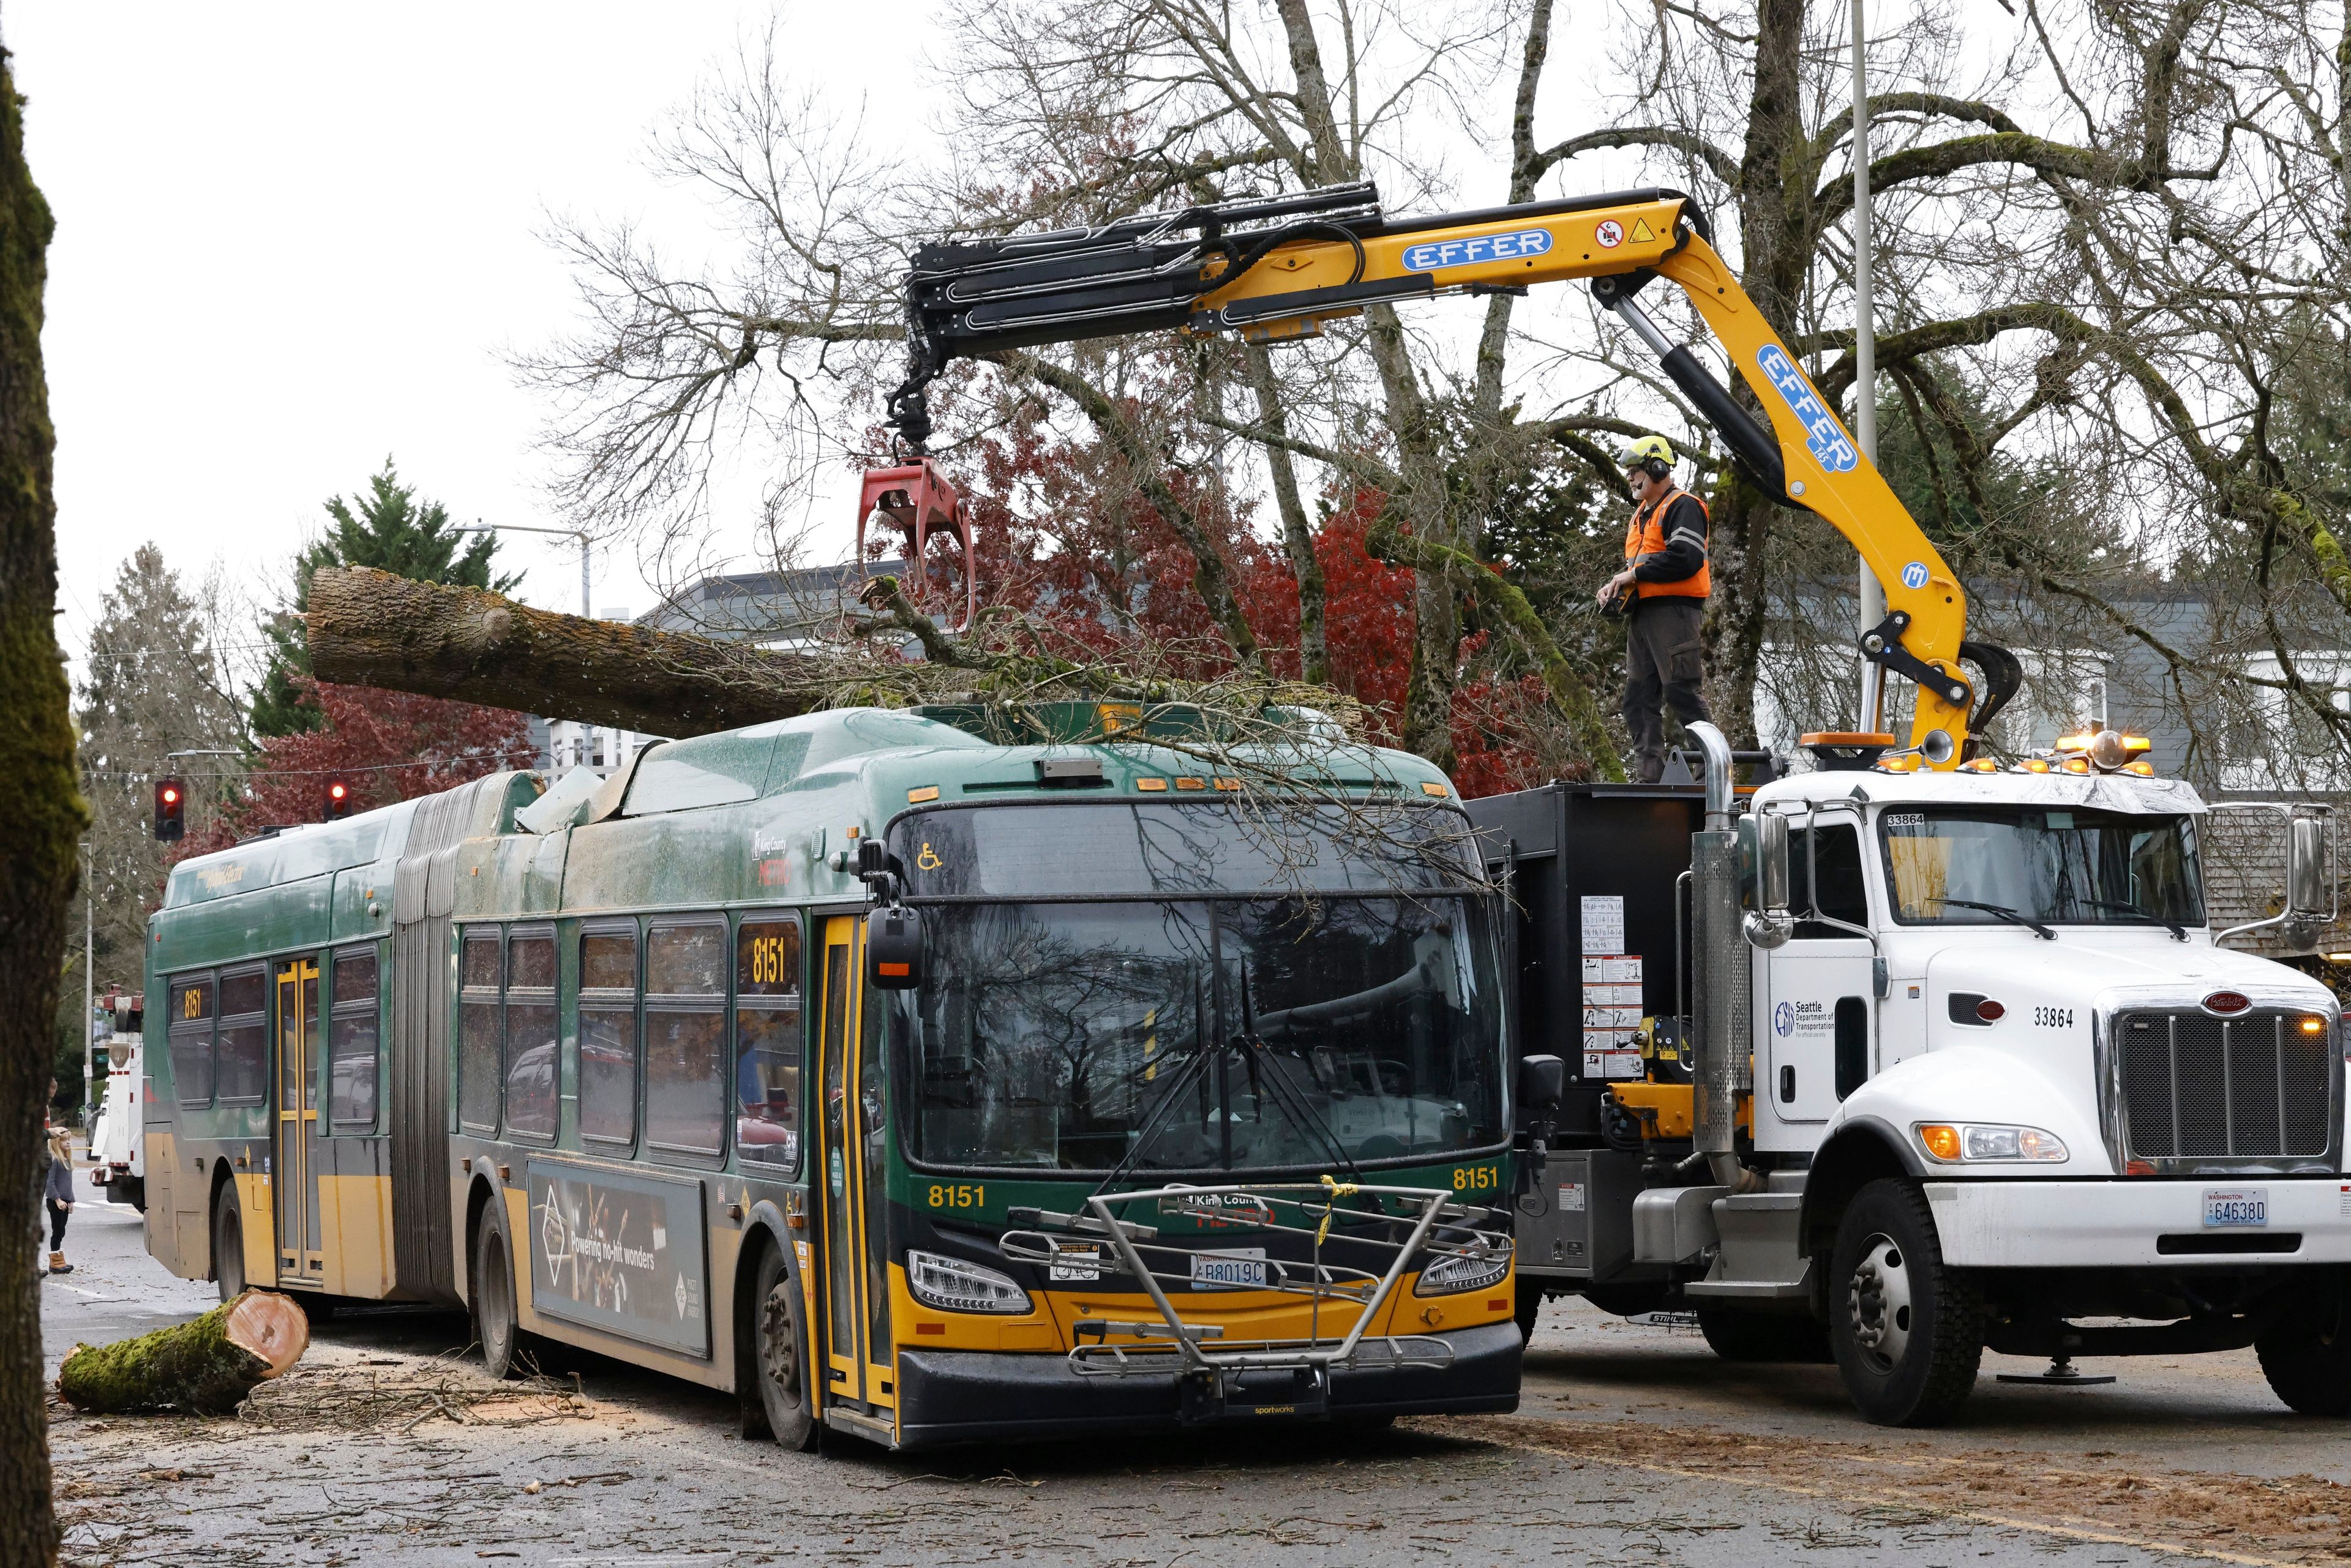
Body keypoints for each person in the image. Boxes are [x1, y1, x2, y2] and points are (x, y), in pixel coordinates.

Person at [1595, 434, 1714, 784]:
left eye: (1635, 471)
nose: (1630, 478)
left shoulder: (1683, 505)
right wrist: (1619, 586)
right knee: (1637, 697)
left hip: (1675, 613)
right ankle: (1649, 776)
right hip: (1644, 615)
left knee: (1681, 690)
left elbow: (1687, 558)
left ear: (1657, 468)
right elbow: (1644, 564)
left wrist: (1633, 574)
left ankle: (1712, 771)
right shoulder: (1642, 514)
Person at [44, 1127, 76, 1277]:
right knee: (57, 1231)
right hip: (56, 1201)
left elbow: (68, 1183)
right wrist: (57, 1199)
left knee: (61, 1231)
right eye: (64, 1140)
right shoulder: (55, 1160)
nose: (68, 1142)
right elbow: (49, 1184)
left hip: (66, 1201)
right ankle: (55, 1263)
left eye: (69, 1139)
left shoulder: (66, 1160)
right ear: (57, 1142)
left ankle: (58, 1260)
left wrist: (72, 1200)